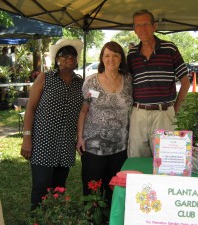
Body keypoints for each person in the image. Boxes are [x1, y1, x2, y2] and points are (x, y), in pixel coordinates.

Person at [20, 38, 84, 211]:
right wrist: (27, 138)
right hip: (42, 143)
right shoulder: (45, 78)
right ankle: (37, 220)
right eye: (64, 55)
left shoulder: (80, 84)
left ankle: (55, 218)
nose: (69, 58)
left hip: (65, 145)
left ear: (77, 59)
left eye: (72, 55)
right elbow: (30, 109)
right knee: (41, 187)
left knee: (59, 188)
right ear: (57, 59)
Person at [76, 41, 133, 214]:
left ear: (121, 58)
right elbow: (83, 111)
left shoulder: (129, 80)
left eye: (115, 55)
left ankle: (111, 219)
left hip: (120, 147)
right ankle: (91, 219)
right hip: (94, 147)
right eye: (107, 55)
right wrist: (79, 138)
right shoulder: (91, 82)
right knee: (92, 190)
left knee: (114, 189)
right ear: (102, 58)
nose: (111, 59)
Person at [127, 9, 190, 157]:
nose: (142, 29)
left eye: (146, 24)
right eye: (138, 25)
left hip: (164, 113)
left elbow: (185, 82)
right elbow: (127, 84)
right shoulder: (131, 54)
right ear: (134, 29)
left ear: (154, 26)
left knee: (165, 160)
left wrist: (175, 109)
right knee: (137, 158)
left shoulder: (169, 49)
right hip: (138, 114)